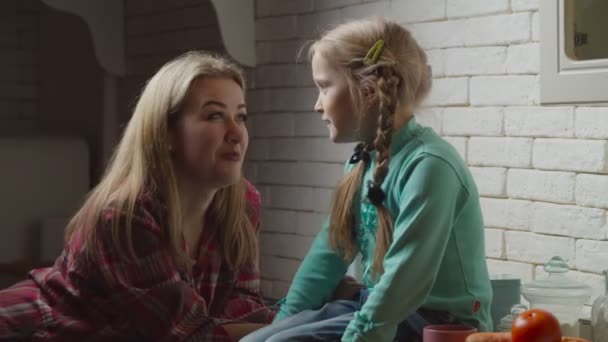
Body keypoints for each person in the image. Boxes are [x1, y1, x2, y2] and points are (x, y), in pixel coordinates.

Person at [241, 17, 493, 342]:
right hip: (377, 307)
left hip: (436, 321)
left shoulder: (430, 166)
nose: (317, 105)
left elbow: (406, 276)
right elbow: (329, 253)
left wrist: (358, 337)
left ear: (369, 89)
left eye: (324, 86)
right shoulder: (361, 162)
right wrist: (282, 321)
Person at [0, 51, 275, 341]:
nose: (236, 133)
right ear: (166, 133)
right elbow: (185, 334)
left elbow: (243, 306)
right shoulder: (125, 216)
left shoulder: (243, 203)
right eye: (215, 115)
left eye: (241, 116)